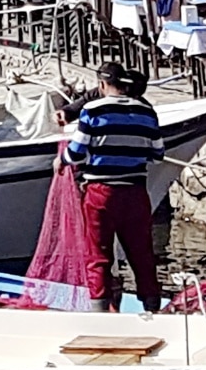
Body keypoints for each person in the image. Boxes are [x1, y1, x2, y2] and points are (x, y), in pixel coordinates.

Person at [61, 64, 167, 311]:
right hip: (135, 193)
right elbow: (158, 154)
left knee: (98, 257)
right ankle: (153, 308)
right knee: (142, 254)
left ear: (101, 85)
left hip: (100, 194)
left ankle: (100, 314)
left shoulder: (92, 110)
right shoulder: (147, 112)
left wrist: (61, 159)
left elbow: (76, 153)